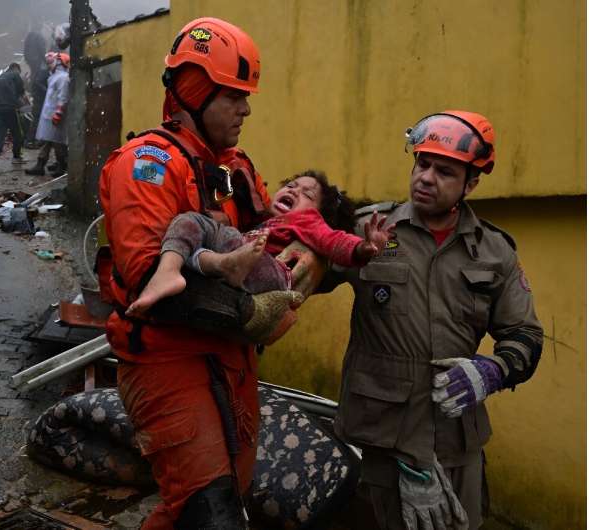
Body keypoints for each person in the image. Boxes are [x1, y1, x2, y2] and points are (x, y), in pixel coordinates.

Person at [99, 17, 297, 529]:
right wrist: (254, 312)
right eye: (233, 95)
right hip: (168, 359)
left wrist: (319, 250)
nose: (246, 108)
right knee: (208, 512)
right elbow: (150, 286)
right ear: (194, 89)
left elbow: (275, 242)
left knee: (225, 497)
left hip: (232, 360)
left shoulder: (234, 169)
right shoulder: (146, 164)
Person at [320, 110, 543, 530]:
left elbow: (525, 335)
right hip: (383, 439)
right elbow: (302, 278)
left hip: (456, 440)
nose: (426, 177)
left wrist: (492, 370)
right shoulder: (369, 227)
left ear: (470, 184)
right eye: (422, 164)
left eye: (444, 171)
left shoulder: (494, 252)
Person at [127, 170, 394, 316]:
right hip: (242, 272)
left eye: (307, 193)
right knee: (194, 231)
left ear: (318, 213)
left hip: (271, 275)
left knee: (213, 232)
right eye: (291, 184)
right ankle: (185, 269)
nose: (294, 190)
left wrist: (363, 248)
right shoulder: (264, 224)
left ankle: (211, 265)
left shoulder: (307, 221)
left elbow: (334, 241)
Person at [25, 52, 70, 176]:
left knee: (57, 142)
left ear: (59, 62)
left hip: (56, 116)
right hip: (49, 115)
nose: (49, 65)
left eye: (51, 62)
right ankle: (41, 165)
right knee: (48, 140)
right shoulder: (54, 77)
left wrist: (59, 112)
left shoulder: (63, 78)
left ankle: (61, 166)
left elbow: (63, 96)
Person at [0, 62, 25, 169]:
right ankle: (16, 157)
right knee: (17, 132)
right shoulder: (15, 74)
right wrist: (20, 102)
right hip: (10, 108)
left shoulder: (1, 77)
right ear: (16, 68)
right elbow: (21, 90)